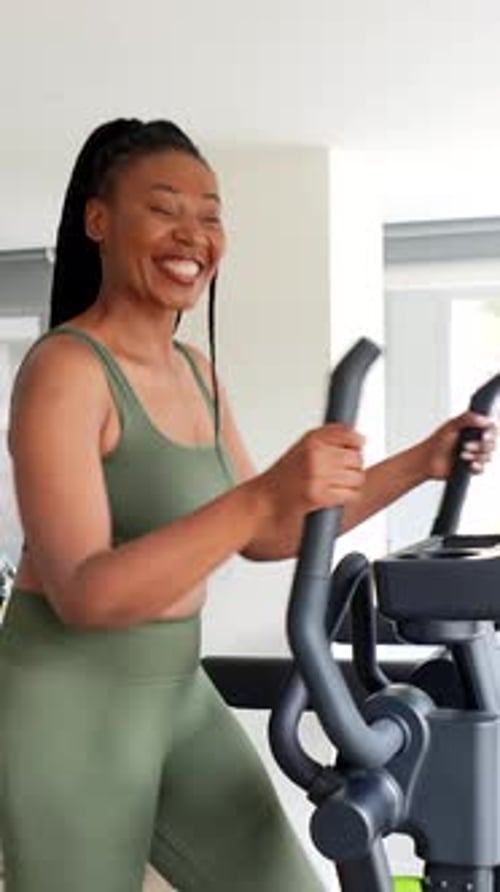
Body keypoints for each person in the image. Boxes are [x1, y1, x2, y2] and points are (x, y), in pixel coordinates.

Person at [0, 118, 495, 892]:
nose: (192, 233)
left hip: (176, 694)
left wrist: (420, 463)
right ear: (100, 220)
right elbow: (86, 593)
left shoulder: (194, 369)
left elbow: (268, 533)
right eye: (165, 209)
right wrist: (262, 493)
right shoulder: (66, 369)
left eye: (210, 213)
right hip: (69, 708)